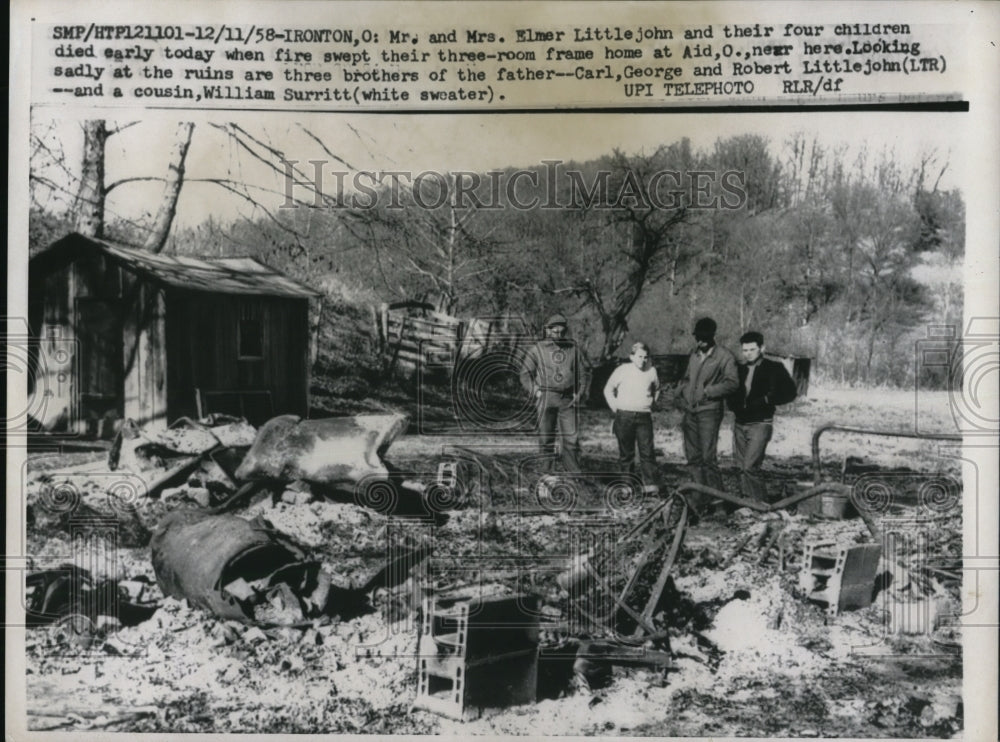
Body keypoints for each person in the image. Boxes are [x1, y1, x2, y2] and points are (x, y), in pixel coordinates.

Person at [727, 331, 798, 503]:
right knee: (741, 467)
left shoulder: (774, 368)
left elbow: (791, 392)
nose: (748, 353)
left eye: (752, 349)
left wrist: (767, 400)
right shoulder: (739, 368)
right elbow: (731, 390)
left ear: (762, 348)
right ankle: (746, 503)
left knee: (751, 466)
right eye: (745, 350)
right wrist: (733, 405)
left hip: (760, 423)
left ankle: (761, 504)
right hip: (740, 423)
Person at [674, 317, 739, 498]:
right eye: (697, 337)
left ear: (712, 336)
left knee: (708, 459)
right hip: (690, 411)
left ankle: (718, 501)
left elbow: (733, 383)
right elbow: (686, 378)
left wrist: (709, 391)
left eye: (703, 337)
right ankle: (698, 497)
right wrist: (680, 394)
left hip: (709, 411)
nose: (700, 341)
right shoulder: (693, 354)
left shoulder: (724, 356)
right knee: (693, 458)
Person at [519, 313, 587, 475]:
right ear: (548, 331)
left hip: (568, 399)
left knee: (571, 437)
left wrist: (579, 393)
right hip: (546, 398)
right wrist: (535, 391)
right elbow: (525, 374)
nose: (559, 335)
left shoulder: (572, 349)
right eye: (555, 332)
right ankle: (547, 472)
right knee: (546, 436)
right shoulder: (537, 349)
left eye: (562, 332)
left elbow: (583, 375)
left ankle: (573, 472)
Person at [604, 342, 661, 494]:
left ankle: (650, 485)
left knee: (647, 451)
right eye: (640, 356)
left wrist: (651, 403)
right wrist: (616, 407)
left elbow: (657, 389)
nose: (643, 360)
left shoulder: (652, 371)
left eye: (645, 357)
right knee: (626, 453)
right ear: (632, 356)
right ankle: (627, 485)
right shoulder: (622, 370)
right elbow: (608, 389)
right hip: (624, 416)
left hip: (644, 417)